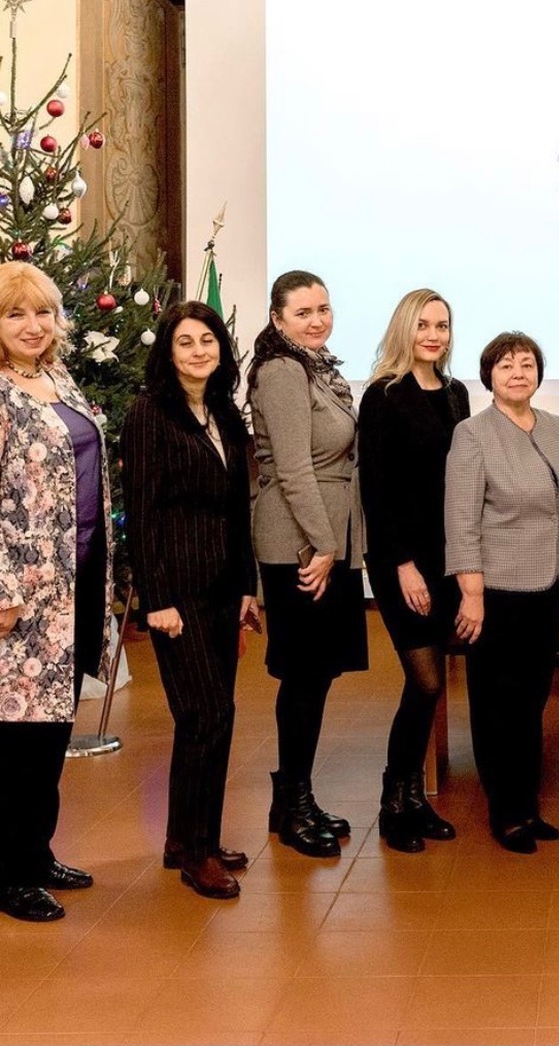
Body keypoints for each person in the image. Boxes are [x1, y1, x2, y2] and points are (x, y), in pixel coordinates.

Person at [121, 302, 259, 899]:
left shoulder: (225, 412)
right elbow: (143, 515)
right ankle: (196, 855)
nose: (199, 350)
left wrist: (249, 585)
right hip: (176, 594)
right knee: (206, 715)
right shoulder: (150, 414)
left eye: (208, 339)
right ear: (168, 353)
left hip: (224, 588)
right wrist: (155, 597)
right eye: (186, 342)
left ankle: (188, 837)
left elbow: (237, 509)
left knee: (213, 715)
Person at [0, 263, 112, 922]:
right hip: (21, 598)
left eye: (42, 312)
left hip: (77, 580)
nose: (33, 325)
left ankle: (35, 850)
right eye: (16, 314)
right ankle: (9, 871)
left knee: (52, 728)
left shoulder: (57, 377)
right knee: (16, 738)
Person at [444, 332, 559, 853]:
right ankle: (506, 811)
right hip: (496, 590)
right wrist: (471, 592)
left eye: (527, 364)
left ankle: (528, 803)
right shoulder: (473, 434)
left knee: (530, 700)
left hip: (548, 586)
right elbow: (460, 518)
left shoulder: (557, 427)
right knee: (495, 703)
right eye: (506, 366)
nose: (518, 373)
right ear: (490, 376)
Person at [248, 270, 367, 858]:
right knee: (302, 674)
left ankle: (295, 796)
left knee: (316, 675)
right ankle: (291, 804)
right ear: (278, 320)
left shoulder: (318, 367)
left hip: (329, 538)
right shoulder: (281, 371)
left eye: (324, 308)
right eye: (303, 312)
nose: (317, 319)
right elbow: (292, 469)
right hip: (300, 541)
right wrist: (322, 547)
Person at [359, 289, 468, 853]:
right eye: (423, 324)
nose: (434, 334)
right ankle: (392, 800)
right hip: (402, 561)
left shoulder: (457, 394)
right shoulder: (383, 396)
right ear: (405, 328)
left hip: (448, 558)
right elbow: (376, 492)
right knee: (424, 680)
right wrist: (403, 566)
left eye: (442, 325)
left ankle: (416, 798)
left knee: (433, 685)